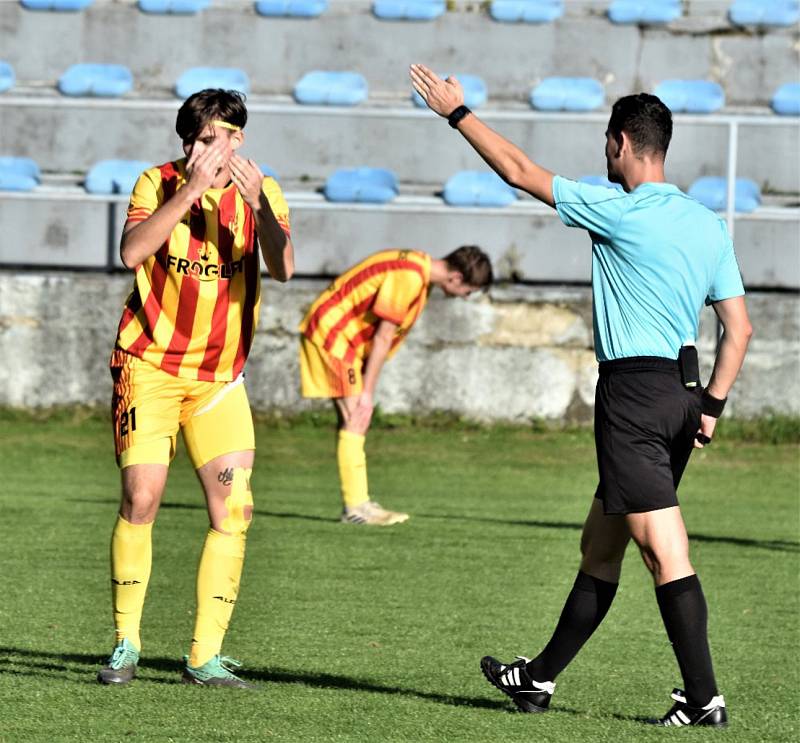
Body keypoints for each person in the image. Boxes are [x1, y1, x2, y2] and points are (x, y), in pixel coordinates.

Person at [410, 65, 752, 727]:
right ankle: (537, 678)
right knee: (602, 544)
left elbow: (516, 169)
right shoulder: (707, 224)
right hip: (681, 396)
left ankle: (704, 696)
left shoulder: (616, 209)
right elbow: (738, 328)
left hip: (631, 397)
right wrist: (711, 405)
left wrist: (458, 113)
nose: (604, 154)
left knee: (663, 549)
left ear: (622, 143)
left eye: (606, 142)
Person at [97, 88, 294, 688]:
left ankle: (203, 657)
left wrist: (260, 207)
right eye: (201, 138)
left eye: (223, 137)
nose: (211, 149)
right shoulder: (156, 183)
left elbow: (284, 268)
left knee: (234, 510)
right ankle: (125, 644)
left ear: (240, 139)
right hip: (149, 368)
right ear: (185, 143)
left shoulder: (262, 191)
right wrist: (190, 190)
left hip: (218, 380)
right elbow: (132, 251)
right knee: (142, 500)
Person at [299, 246, 493, 525]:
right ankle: (356, 507)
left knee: (354, 420)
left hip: (342, 338)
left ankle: (359, 502)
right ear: (456, 278)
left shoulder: (417, 268)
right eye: (469, 291)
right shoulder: (410, 277)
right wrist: (367, 391)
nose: (465, 298)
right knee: (357, 417)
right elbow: (383, 336)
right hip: (335, 338)